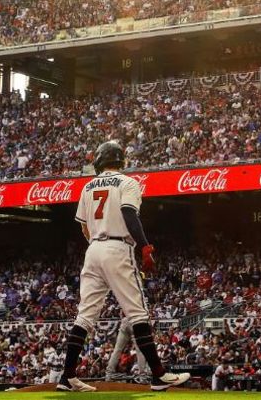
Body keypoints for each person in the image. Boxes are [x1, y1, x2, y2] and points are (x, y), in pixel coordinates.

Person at [54, 140, 190, 392]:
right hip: (118, 248)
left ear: (100, 159)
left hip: (93, 249)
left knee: (85, 315)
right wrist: (145, 246)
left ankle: (67, 377)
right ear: (120, 160)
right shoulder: (128, 182)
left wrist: (98, 243)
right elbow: (129, 214)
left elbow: (84, 227)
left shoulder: (88, 186)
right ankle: (158, 375)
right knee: (137, 312)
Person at [105, 318, 150, 382]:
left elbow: (121, 312)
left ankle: (109, 374)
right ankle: (142, 376)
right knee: (140, 351)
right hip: (137, 322)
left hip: (126, 321)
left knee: (117, 349)